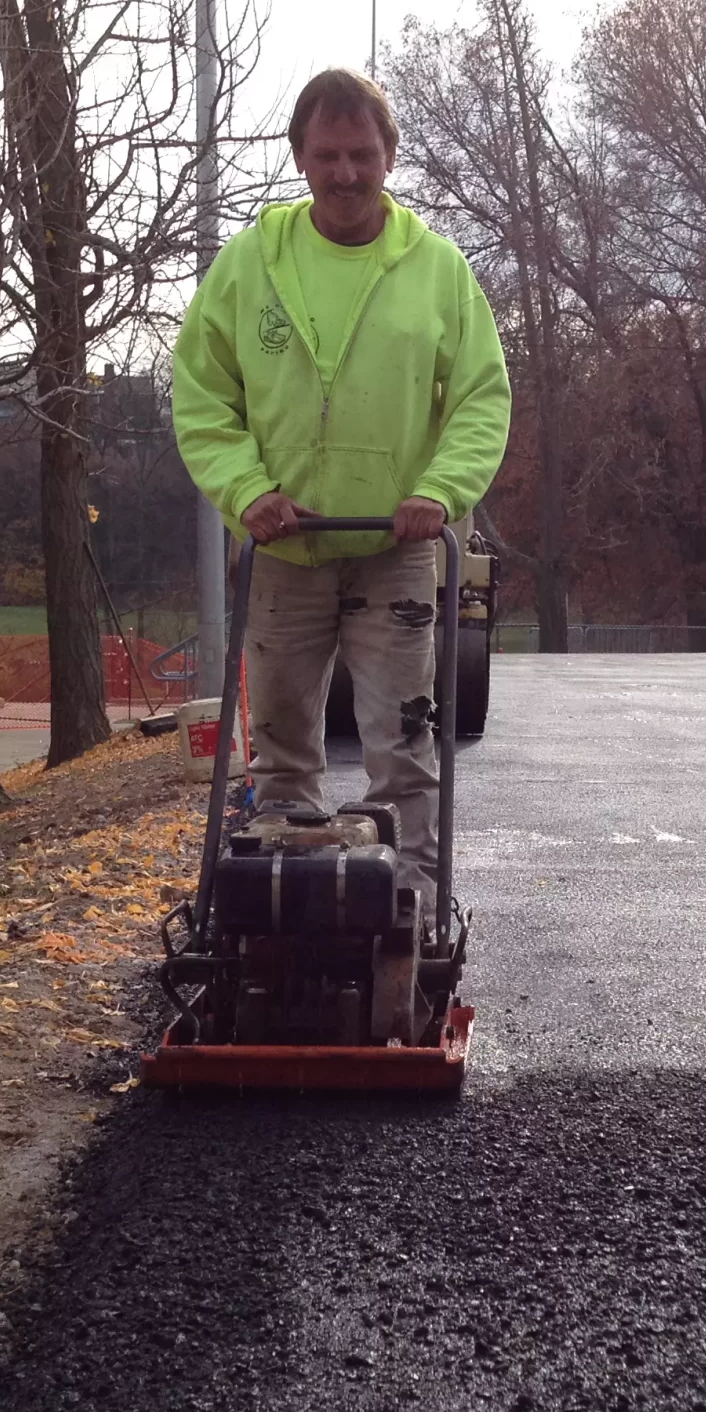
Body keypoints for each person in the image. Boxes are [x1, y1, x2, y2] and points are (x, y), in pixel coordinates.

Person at [171, 69, 511, 898]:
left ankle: (411, 912)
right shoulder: (254, 264)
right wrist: (247, 492)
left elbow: (480, 396)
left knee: (401, 743)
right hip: (284, 549)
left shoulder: (435, 270)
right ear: (300, 157)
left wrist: (440, 492)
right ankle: (276, 903)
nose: (346, 173)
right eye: (328, 155)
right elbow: (203, 393)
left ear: (390, 156)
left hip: (394, 548)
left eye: (363, 154)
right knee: (283, 749)